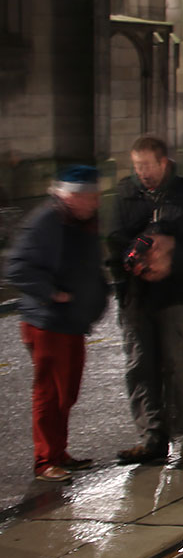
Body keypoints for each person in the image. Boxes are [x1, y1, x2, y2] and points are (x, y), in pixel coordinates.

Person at [107, 136, 183, 468]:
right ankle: (152, 438)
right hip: (135, 297)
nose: (143, 173)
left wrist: (171, 260)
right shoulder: (126, 193)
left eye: (147, 166)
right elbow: (114, 240)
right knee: (140, 367)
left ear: (163, 162)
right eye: (137, 166)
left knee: (173, 366)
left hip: (173, 295)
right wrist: (133, 255)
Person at [4, 166, 109, 482]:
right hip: (47, 323)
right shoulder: (47, 221)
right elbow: (17, 268)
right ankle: (45, 460)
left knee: (67, 393)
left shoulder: (82, 221)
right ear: (73, 196)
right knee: (50, 392)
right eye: (91, 196)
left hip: (71, 322)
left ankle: (59, 453)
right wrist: (53, 294)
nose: (96, 202)